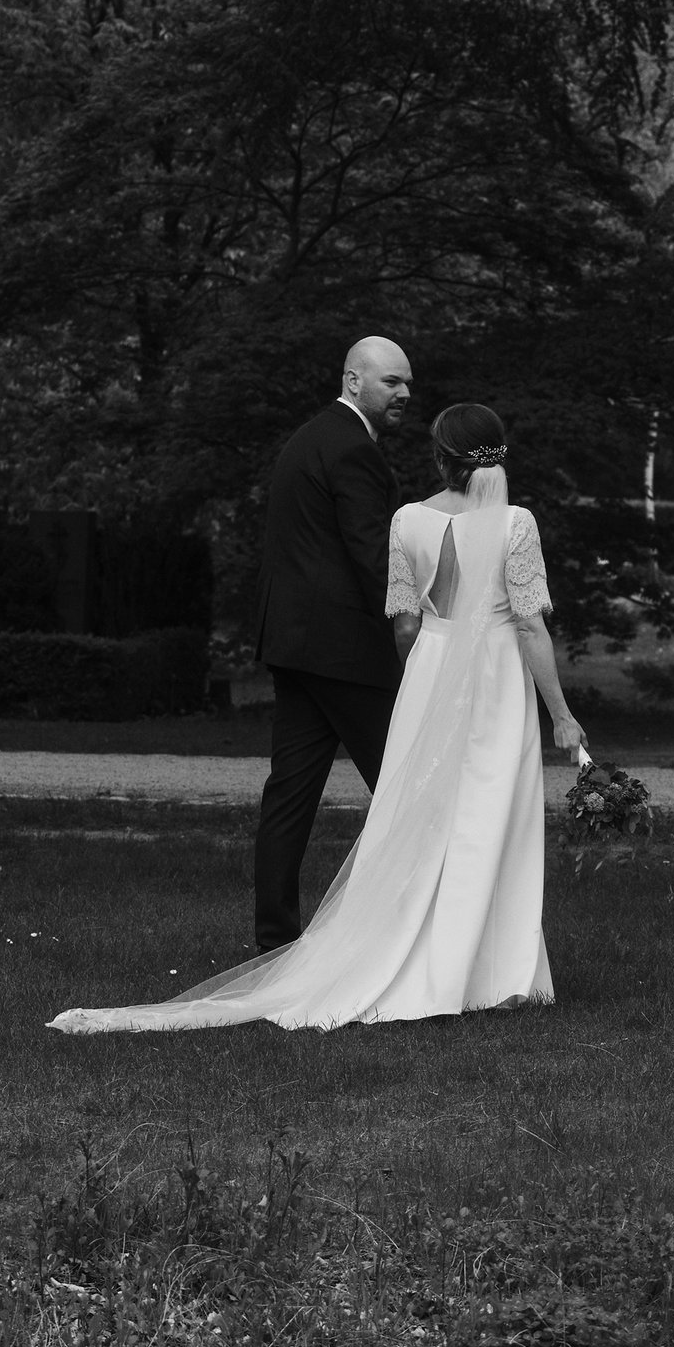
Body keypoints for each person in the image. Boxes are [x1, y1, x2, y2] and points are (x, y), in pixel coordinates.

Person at [49, 399, 590, 1034]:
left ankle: (438, 960)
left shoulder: (407, 520)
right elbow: (529, 625)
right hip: (496, 680)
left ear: (439, 458)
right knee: (493, 815)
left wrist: (421, 680)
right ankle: (491, 972)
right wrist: (562, 714)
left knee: (425, 814)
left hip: (429, 671)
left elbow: (407, 622)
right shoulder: (516, 523)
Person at [248, 334, 411, 954]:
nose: (403, 394)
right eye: (391, 382)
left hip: (295, 644)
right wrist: (415, 626)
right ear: (353, 381)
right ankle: (405, 937)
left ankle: (275, 942)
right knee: (403, 789)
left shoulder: (311, 437)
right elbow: (374, 556)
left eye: (407, 385)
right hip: (344, 652)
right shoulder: (353, 450)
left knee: (289, 794)